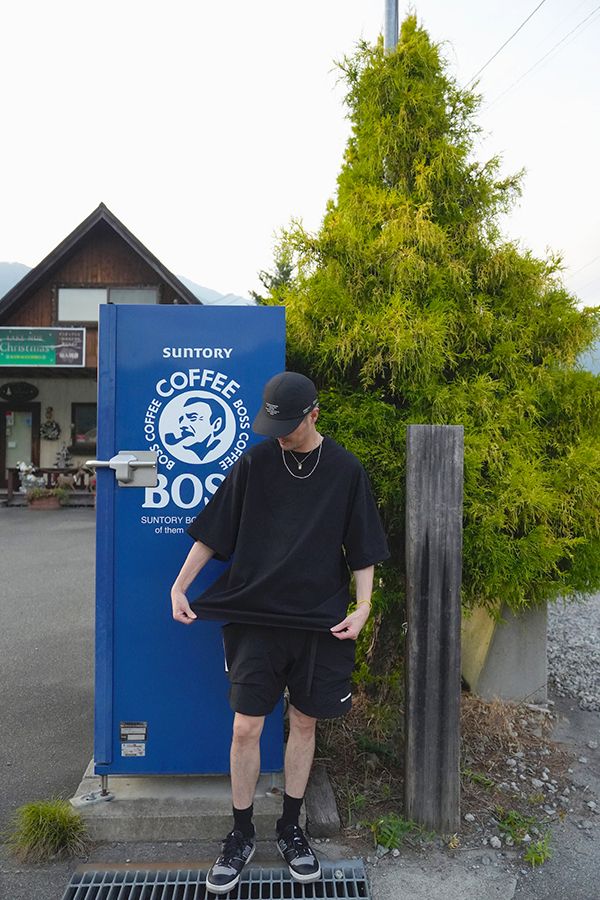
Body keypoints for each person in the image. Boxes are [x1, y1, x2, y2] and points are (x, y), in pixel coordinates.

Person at [170, 371, 389, 894]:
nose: (280, 436)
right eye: (274, 426)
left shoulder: (345, 470)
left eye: (288, 426)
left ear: (314, 414)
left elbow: (362, 548)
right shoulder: (256, 462)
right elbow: (214, 532)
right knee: (245, 728)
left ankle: (291, 828)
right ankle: (240, 832)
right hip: (258, 619)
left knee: (304, 724)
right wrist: (179, 586)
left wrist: (363, 607)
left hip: (319, 621)